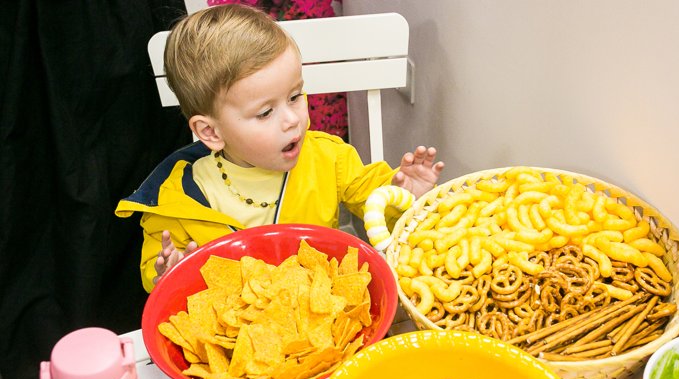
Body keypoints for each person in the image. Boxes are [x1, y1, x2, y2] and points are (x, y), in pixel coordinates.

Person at [115, 4, 444, 291]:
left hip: (326, 308)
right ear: (210, 132)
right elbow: (155, 268)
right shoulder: (176, 200)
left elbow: (372, 198)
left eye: (295, 96)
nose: (292, 120)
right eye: (265, 112)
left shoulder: (328, 157)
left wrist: (402, 193)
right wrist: (169, 272)